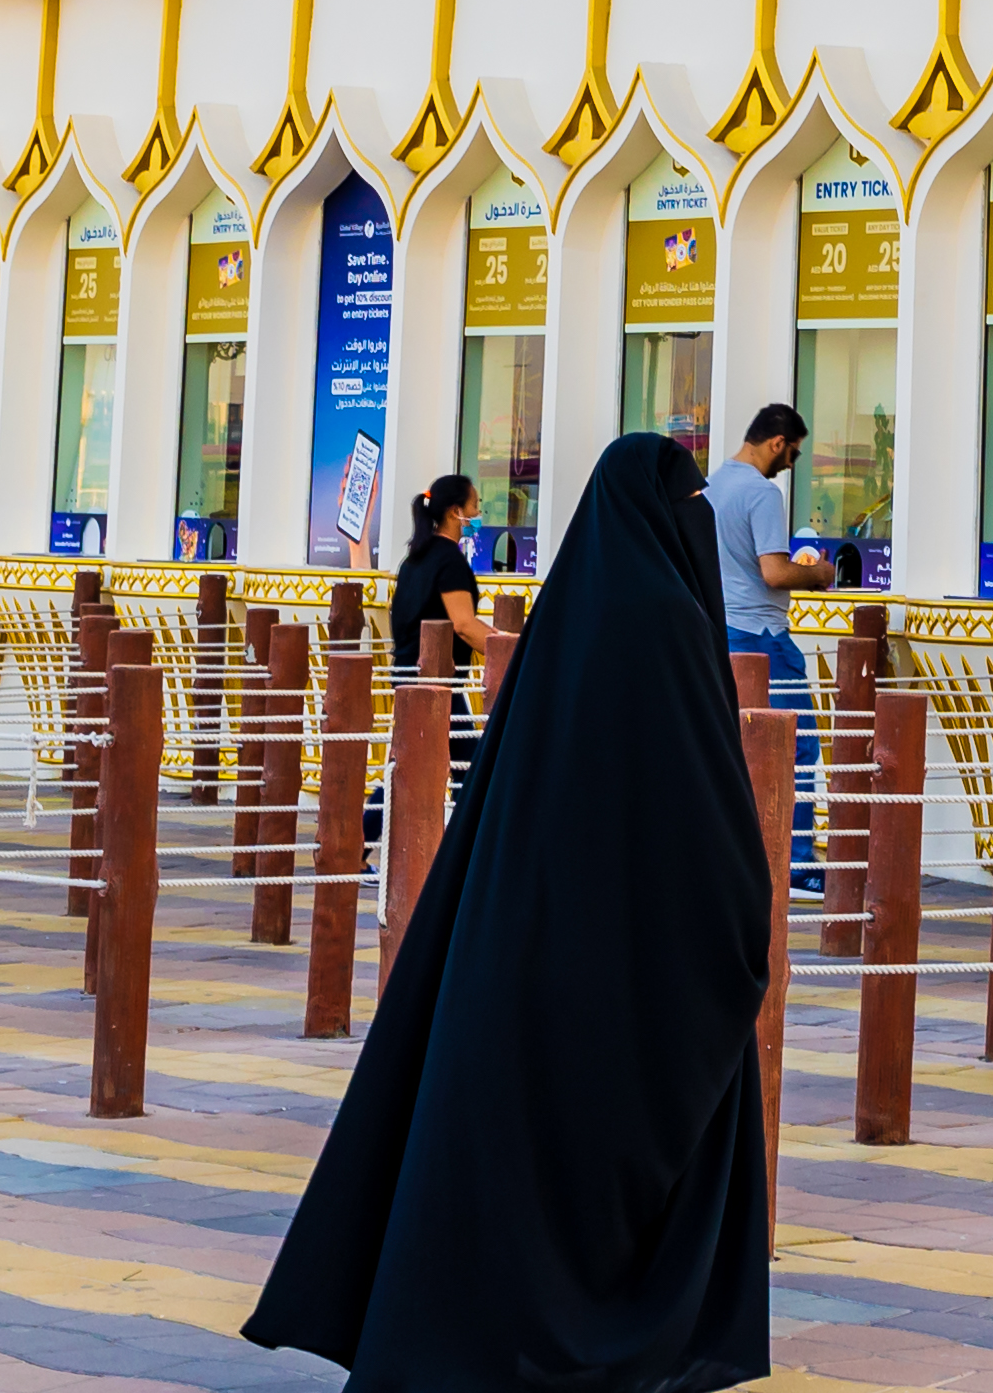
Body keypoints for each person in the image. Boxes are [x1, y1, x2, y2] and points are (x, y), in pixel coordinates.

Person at [249, 431, 770, 1393]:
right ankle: (613, 1327)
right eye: (693, 502)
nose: (701, 518)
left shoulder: (574, 615)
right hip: (632, 954)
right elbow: (702, 809)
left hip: (525, 942)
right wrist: (742, 922)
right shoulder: (666, 621)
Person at [703, 407, 829, 899]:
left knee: (734, 747)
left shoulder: (713, 486)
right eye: (794, 452)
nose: (792, 464)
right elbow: (775, 572)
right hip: (763, 633)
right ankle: (795, 862)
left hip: (722, 631)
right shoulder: (761, 492)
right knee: (796, 745)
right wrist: (818, 573)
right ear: (778, 442)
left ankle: (741, 854)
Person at [391, 474, 490, 672]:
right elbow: (463, 624)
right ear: (455, 511)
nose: (478, 512)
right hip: (433, 679)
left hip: (408, 671)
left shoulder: (414, 557)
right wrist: (512, 653)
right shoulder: (450, 560)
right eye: (474, 505)